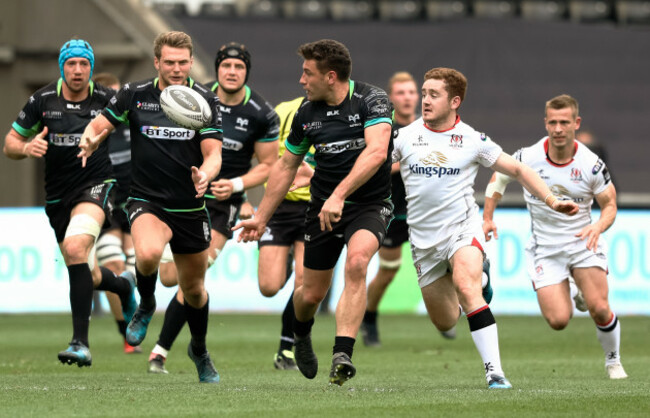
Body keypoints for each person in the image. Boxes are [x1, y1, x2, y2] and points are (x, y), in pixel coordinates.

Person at [392, 68, 579, 389]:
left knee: (468, 288)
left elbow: (518, 169)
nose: (425, 100)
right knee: (445, 320)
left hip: (462, 231)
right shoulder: (404, 136)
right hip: (423, 241)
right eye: (424, 93)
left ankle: (495, 372)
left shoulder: (471, 139)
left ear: (454, 101)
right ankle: (481, 275)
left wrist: (551, 199)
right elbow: (373, 165)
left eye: (433, 95)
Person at [234, 39, 394, 386]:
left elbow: (377, 152)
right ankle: (301, 334)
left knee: (357, 262)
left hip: (369, 205)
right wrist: (261, 217)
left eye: (308, 73)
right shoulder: (307, 113)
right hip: (324, 209)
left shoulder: (372, 99)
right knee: (309, 294)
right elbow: (285, 166)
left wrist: (339, 194)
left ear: (331, 76)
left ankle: (342, 354)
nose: (301, 80)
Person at [78, 31, 223, 383]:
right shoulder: (134, 95)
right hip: (147, 200)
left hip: (189, 206)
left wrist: (204, 176)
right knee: (146, 256)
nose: (176, 69)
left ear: (191, 62)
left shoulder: (204, 100)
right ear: (156, 62)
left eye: (182, 62)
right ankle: (145, 304)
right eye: (169, 62)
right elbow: (98, 126)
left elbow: (214, 153)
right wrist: (89, 139)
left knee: (193, 291)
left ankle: (199, 350)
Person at [146, 41, 279, 375]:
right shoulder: (195, 99)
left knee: (195, 277)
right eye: (226, 66)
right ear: (217, 69)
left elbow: (269, 165)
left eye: (239, 67)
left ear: (246, 72)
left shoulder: (261, 113)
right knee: (167, 277)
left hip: (224, 206)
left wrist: (236, 186)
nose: (232, 72)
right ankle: (172, 346)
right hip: (184, 199)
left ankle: (162, 351)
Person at [3, 39, 136, 367]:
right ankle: (122, 286)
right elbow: (10, 142)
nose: (78, 70)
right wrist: (26, 148)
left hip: (98, 186)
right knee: (86, 273)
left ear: (91, 68)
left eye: (84, 64)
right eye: (71, 64)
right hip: (58, 197)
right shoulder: (43, 100)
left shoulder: (107, 99)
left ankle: (80, 343)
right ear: (62, 67)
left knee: (76, 249)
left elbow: (143, 128)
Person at [482, 94, 627, 380]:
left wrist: (597, 227)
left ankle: (613, 361)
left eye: (564, 122)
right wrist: (487, 217)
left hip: (583, 243)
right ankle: (574, 290)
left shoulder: (591, 164)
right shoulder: (528, 157)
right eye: (553, 123)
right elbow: (498, 179)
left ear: (576, 123)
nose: (558, 129)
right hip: (544, 249)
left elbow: (609, 205)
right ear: (545, 123)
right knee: (559, 321)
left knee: (599, 308)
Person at [256, 96, 316, 371]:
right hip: (280, 208)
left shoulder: (341, 116)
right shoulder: (282, 110)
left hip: (314, 208)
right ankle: (288, 266)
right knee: (269, 287)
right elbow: (266, 155)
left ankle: (286, 349)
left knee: (303, 287)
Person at [360, 71, 418, 346]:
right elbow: (375, 165)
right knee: (389, 270)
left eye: (411, 92)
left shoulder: (425, 129)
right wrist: (406, 162)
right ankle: (369, 317)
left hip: (423, 211)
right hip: (392, 209)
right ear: (392, 98)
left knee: (448, 264)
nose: (407, 98)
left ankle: (447, 312)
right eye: (401, 93)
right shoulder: (385, 129)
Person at [92, 72, 141, 354]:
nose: (114, 101)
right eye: (106, 95)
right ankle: (125, 331)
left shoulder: (136, 120)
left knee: (137, 268)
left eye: (117, 94)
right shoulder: (93, 127)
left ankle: (137, 318)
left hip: (136, 203)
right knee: (113, 268)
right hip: (106, 205)